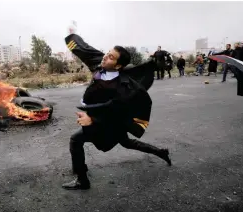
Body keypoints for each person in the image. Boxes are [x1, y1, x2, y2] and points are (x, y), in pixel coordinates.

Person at [62, 30, 172, 190]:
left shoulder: (123, 88)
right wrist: (72, 37)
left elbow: (116, 111)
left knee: (75, 140)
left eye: (111, 57)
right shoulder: (100, 63)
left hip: (109, 122)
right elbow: (84, 49)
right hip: (105, 119)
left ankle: (82, 179)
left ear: (118, 66)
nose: (105, 57)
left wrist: (92, 119)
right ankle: (161, 153)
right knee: (127, 142)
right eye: (107, 53)